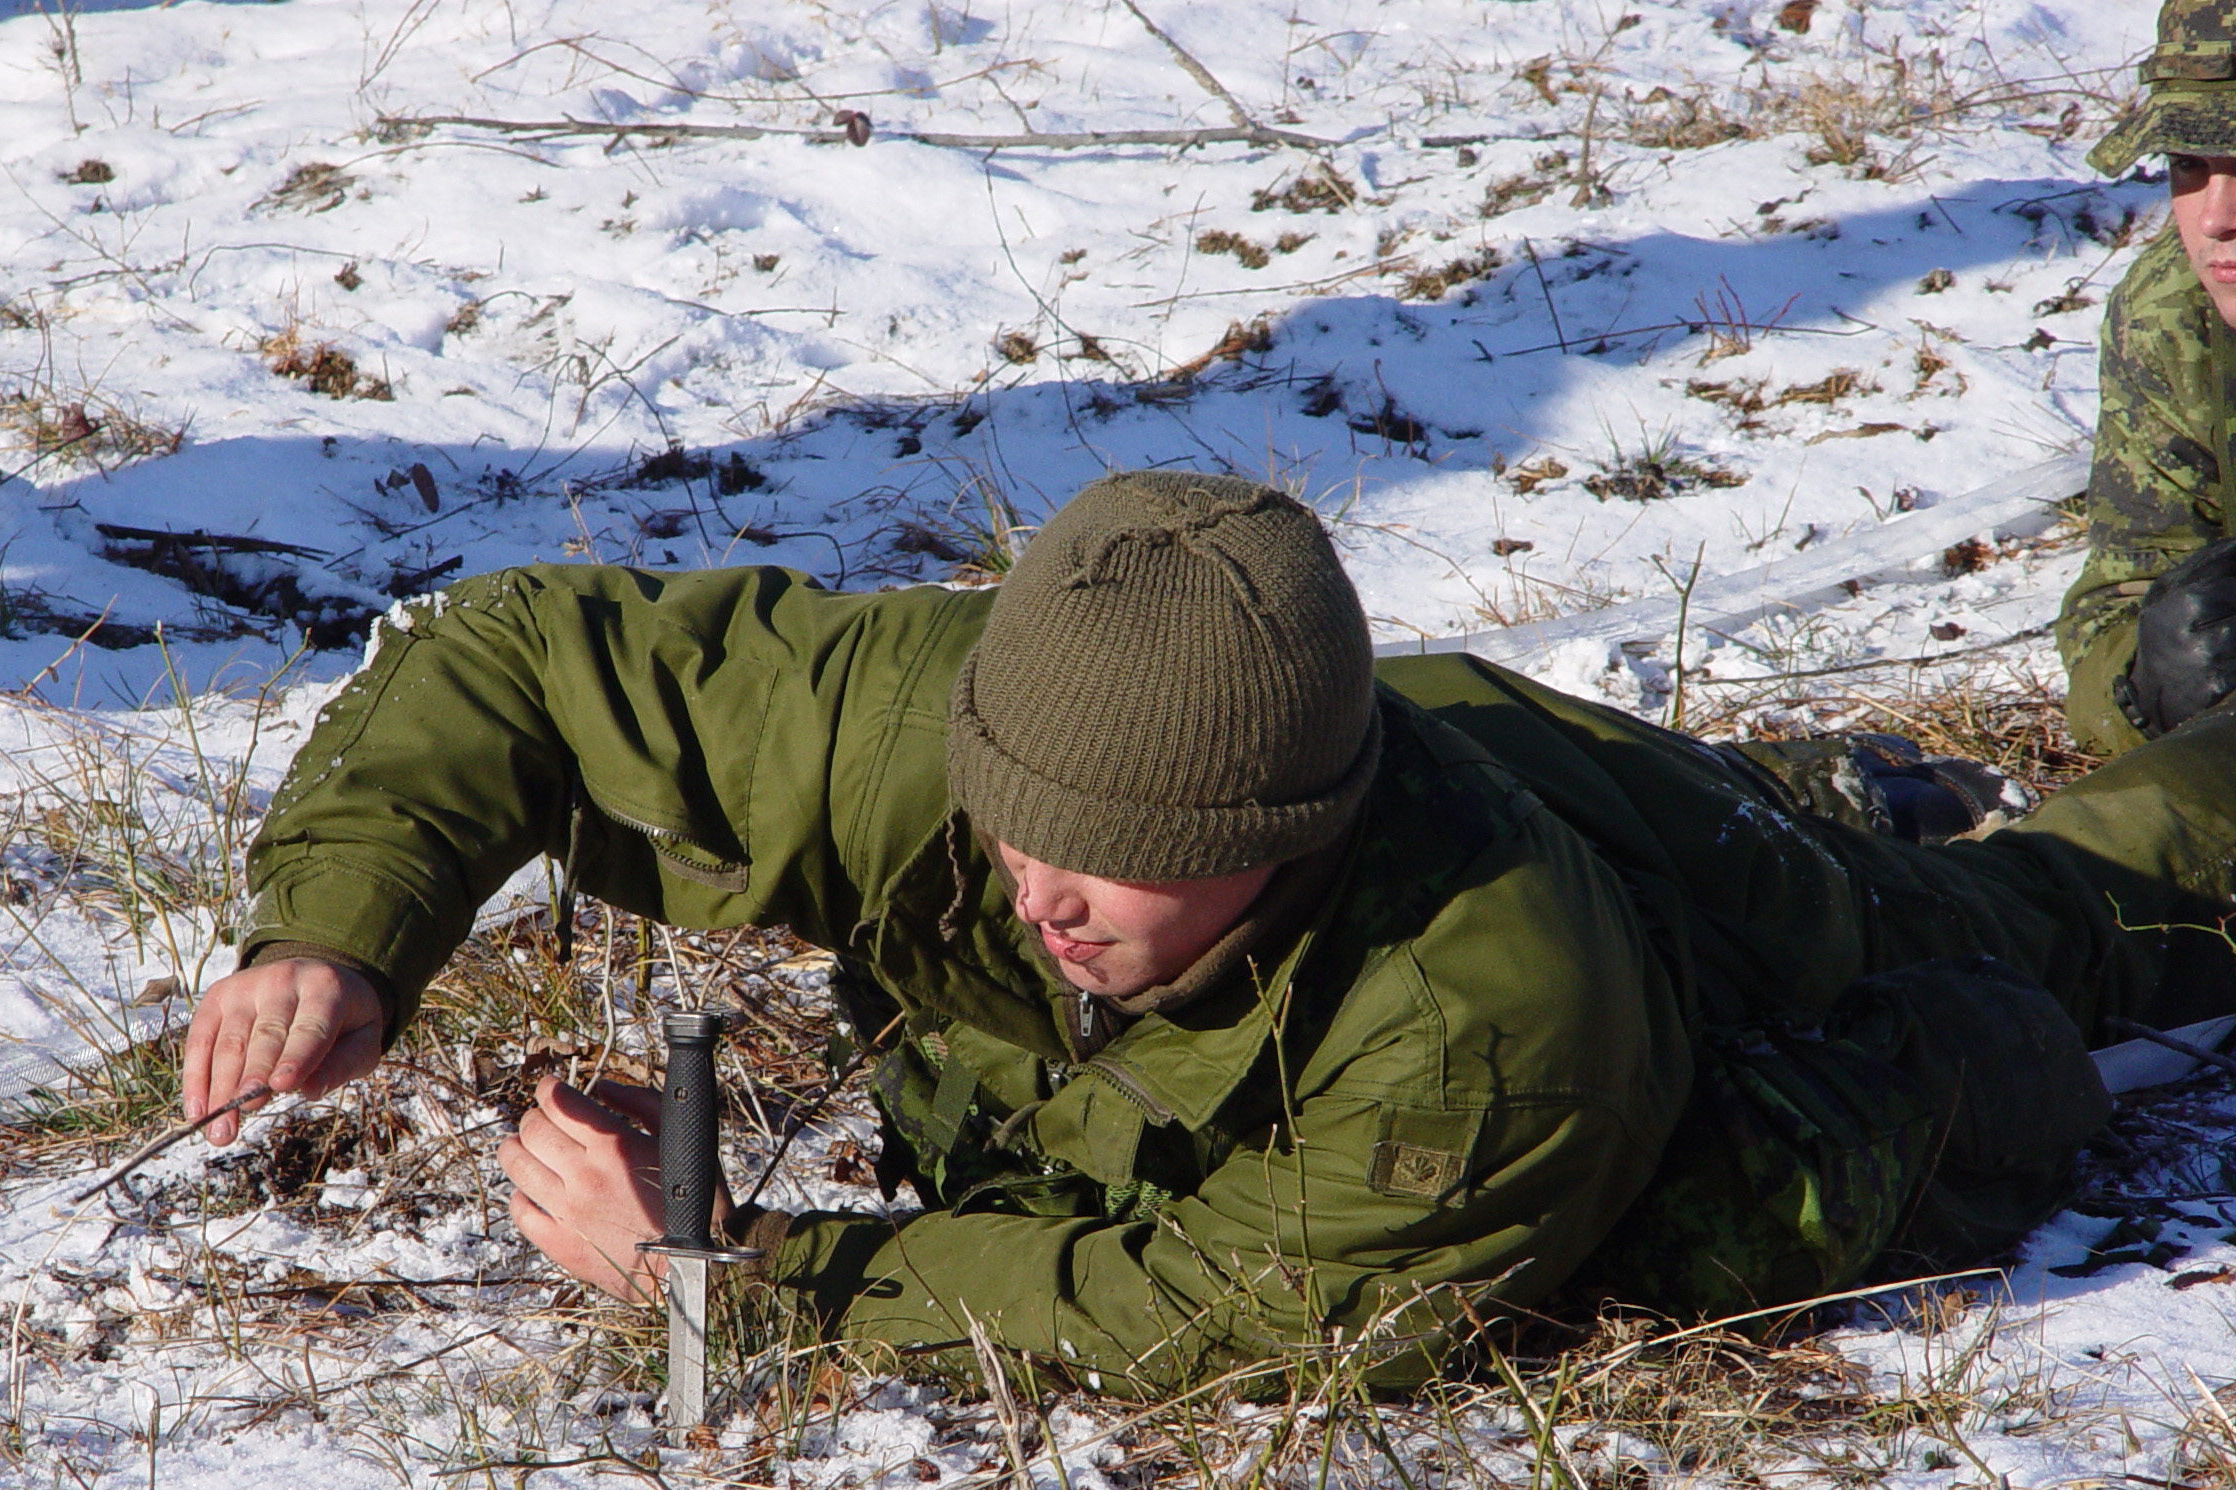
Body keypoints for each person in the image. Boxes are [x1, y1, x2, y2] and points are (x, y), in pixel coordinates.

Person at [187, 470, 2236, 1399]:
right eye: (1015, 828)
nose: (1037, 891)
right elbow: (519, 656)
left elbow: (1234, 1313)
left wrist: (738, 1280)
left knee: (2029, 934)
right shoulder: (971, 724)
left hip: (1678, 944)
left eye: (1118, 859)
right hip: (1432, 738)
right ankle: (1818, 779)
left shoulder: (1481, 1026)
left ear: (1277, 839)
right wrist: (336, 940)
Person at [2062, 0, 2236, 754]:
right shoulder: (2172, 315)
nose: (2216, 218)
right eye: (2190, 165)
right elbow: (2120, 596)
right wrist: (2148, 682)